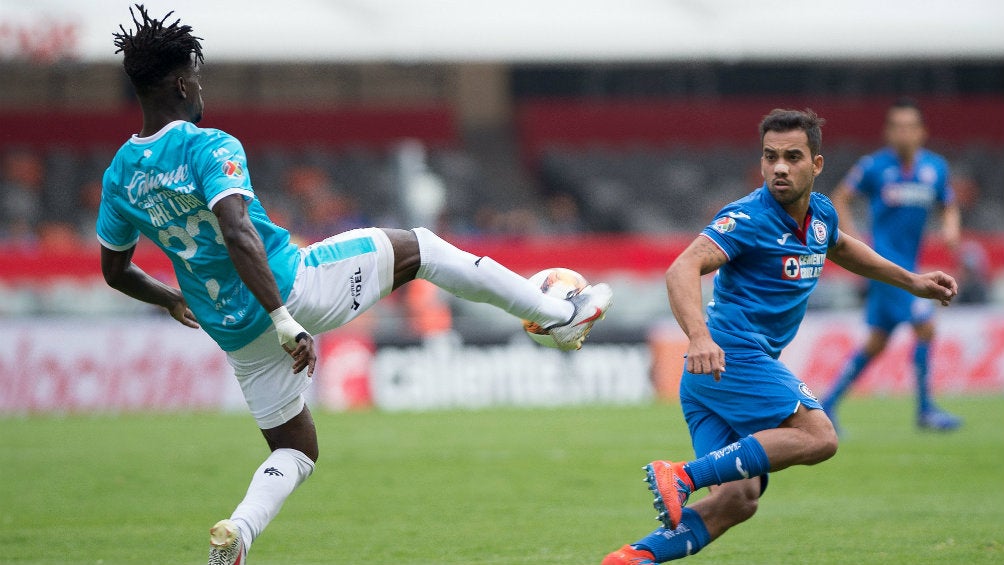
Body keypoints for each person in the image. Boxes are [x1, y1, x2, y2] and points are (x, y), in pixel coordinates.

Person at [100, 6, 612, 565]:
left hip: (233, 333)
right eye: (196, 79)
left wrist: (172, 298)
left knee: (295, 450)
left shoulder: (120, 175)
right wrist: (283, 319)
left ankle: (238, 535)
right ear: (181, 84)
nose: (200, 89)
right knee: (424, 249)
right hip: (295, 290)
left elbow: (116, 271)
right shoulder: (209, 146)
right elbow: (237, 230)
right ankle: (560, 317)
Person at [602, 109, 957, 564]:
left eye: (792, 156)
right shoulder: (748, 217)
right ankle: (682, 476)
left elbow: (844, 248)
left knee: (738, 500)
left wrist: (913, 281)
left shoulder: (821, 213)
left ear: (817, 164)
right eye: (771, 157)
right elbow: (682, 268)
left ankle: (632, 558)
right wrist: (699, 336)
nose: (780, 168)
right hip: (730, 354)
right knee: (820, 436)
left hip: (714, 378)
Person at [820, 99, 962, 432]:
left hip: (910, 264)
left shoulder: (935, 168)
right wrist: (853, 241)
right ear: (887, 133)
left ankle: (827, 404)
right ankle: (925, 410)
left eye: (909, 126)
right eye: (897, 127)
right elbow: (840, 198)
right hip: (885, 267)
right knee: (925, 326)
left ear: (922, 132)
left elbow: (949, 204)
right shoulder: (874, 167)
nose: (903, 133)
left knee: (877, 342)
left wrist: (951, 229)